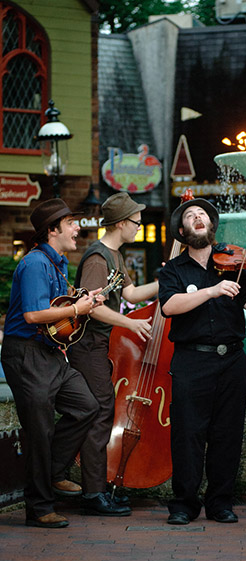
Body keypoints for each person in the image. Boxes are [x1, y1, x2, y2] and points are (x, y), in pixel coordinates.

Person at [158, 197, 246, 525]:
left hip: (231, 361)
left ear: (211, 226)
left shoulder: (235, 263)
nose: (198, 218)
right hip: (191, 361)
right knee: (188, 434)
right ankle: (184, 504)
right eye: (190, 215)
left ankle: (220, 503)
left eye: (202, 214)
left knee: (227, 433)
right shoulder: (173, 269)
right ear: (183, 230)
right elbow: (169, 306)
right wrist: (211, 291)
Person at [1, 198, 102, 528]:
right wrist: (78, 310)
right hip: (26, 354)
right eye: (71, 223)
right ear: (52, 230)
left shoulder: (57, 264)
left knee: (87, 406)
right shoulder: (34, 264)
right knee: (40, 430)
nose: (77, 229)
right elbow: (33, 315)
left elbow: (56, 312)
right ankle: (40, 508)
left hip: (49, 353)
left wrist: (83, 301)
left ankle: (54, 471)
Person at [67, 192, 158, 517]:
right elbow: (92, 307)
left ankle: (97, 488)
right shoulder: (98, 258)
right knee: (101, 412)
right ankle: (93, 494)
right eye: (136, 222)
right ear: (121, 223)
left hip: (101, 347)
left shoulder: (116, 256)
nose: (139, 226)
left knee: (101, 411)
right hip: (89, 347)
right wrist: (129, 325)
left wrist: (163, 282)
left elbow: (130, 293)